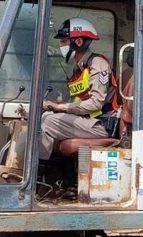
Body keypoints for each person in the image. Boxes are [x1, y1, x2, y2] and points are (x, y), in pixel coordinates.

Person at [40, 18, 119, 160]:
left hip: (101, 124)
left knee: (47, 121)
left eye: (64, 41)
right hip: (87, 120)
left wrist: (62, 107)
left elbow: (96, 103)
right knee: (44, 116)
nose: (60, 45)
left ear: (79, 42)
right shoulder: (79, 69)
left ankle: (37, 166)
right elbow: (77, 100)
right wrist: (54, 105)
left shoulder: (97, 64)